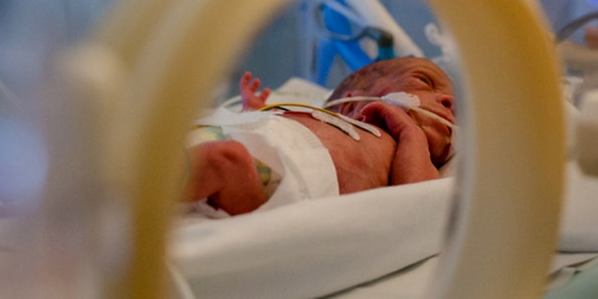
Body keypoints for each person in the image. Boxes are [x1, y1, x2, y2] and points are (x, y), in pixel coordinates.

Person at [183, 58, 456, 216]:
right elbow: (267, 128)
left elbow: (421, 201)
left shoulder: (404, 147)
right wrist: (252, 110)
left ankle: (143, 198)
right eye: (425, 82)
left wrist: (411, 135)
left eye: (454, 105)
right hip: (232, 135)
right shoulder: (332, 119)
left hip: (281, 180)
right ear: (350, 105)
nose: (448, 101)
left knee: (223, 161)